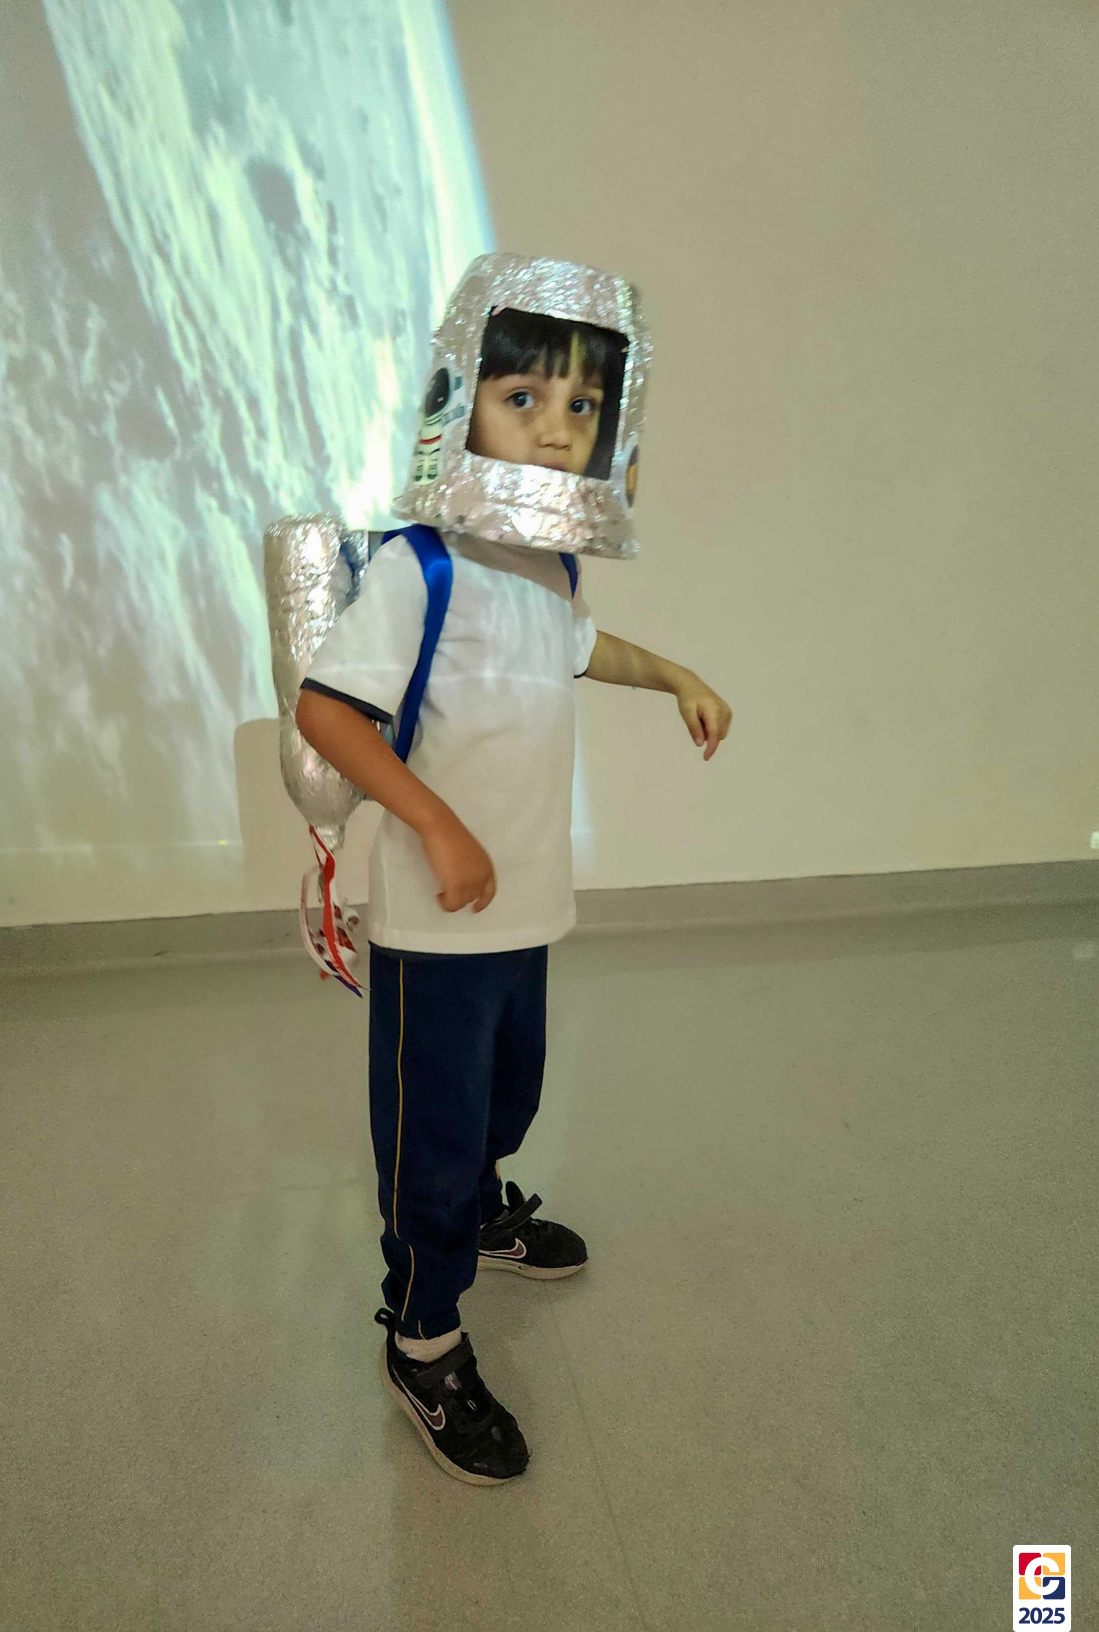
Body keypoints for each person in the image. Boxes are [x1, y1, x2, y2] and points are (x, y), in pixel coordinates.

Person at [294, 254, 732, 1486]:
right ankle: (423, 1338)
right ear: (461, 402)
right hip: (435, 929)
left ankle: (483, 1212)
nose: (553, 428)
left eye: (582, 405)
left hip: (526, 909)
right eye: (522, 397)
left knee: (504, 1097)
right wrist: (436, 824)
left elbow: (584, 649)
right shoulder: (420, 567)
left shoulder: (550, 566)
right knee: (428, 1138)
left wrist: (678, 676)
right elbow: (330, 712)